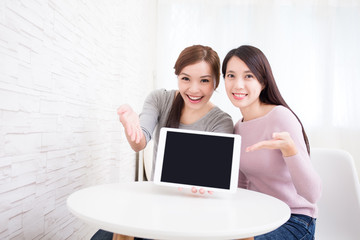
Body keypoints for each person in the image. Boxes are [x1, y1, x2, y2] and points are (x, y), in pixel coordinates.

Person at [91, 45, 234, 240]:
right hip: (156, 202)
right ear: (177, 77)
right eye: (185, 79)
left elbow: (214, 180)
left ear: (216, 81)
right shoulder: (160, 99)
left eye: (204, 81)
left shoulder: (221, 122)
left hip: (195, 213)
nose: (194, 89)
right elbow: (140, 143)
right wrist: (129, 126)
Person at [222, 45, 321, 240]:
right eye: (231, 75)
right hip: (259, 216)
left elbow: (312, 194)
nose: (238, 85)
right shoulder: (237, 127)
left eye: (248, 76)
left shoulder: (281, 117)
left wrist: (290, 150)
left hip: (295, 219)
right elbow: (241, 186)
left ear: (263, 81)